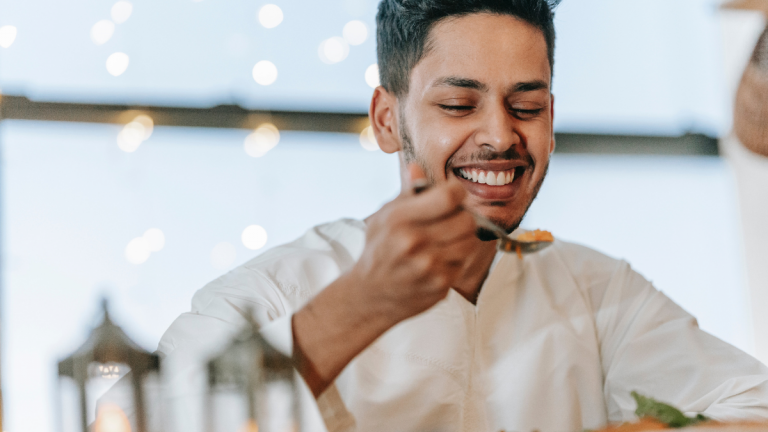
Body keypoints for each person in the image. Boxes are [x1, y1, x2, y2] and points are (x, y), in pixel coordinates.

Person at [119, 1, 768, 431]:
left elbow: (752, 408)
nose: (500, 136)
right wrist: (361, 305)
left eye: (528, 106)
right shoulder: (269, 290)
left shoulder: (599, 294)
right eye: (459, 104)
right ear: (385, 118)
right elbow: (155, 414)